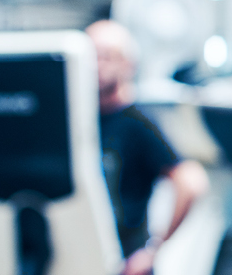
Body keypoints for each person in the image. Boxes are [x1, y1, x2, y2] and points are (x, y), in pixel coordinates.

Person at [88, 20, 211, 275]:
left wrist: (154, 250)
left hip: (125, 263)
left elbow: (191, 182)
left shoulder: (138, 123)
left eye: (107, 56)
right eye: (91, 56)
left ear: (128, 64)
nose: (97, 65)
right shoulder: (79, 122)